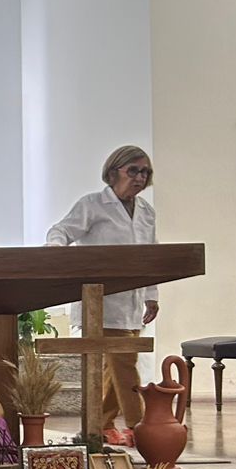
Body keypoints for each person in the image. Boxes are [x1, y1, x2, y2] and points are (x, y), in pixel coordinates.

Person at [45, 145, 158, 446]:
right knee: (125, 364)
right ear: (113, 172)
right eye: (133, 170)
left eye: (145, 172)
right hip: (101, 301)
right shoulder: (93, 204)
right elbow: (60, 230)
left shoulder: (147, 212)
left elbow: (151, 255)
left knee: (114, 368)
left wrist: (152, 294)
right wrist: (56, 251)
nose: (140, 177)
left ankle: (102, 425)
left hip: (132, 301)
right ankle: (139, 426)